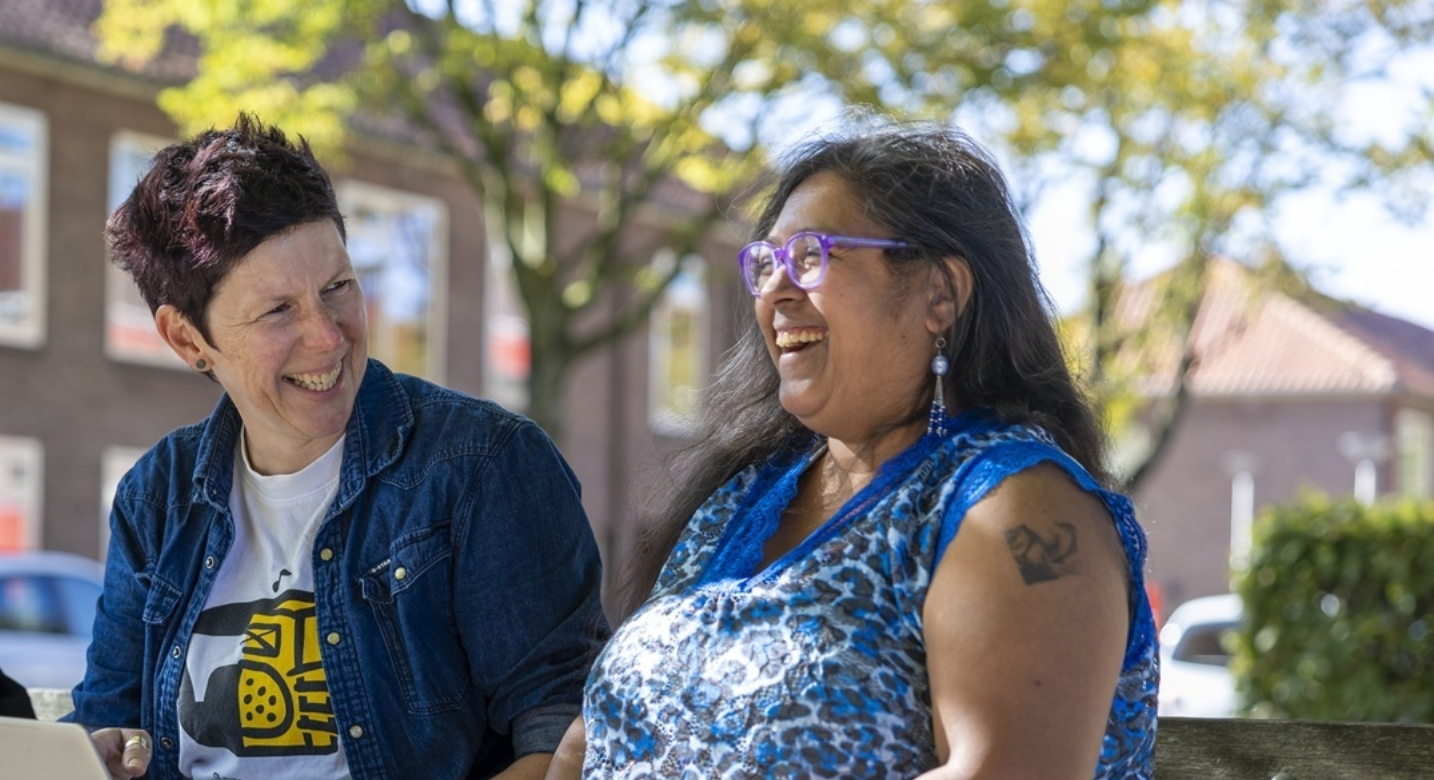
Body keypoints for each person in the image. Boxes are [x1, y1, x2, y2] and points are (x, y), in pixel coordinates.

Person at [553, 116, 1157, 779]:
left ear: (940, 295)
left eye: (811, 256)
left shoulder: (1015, 510)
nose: (777, 289)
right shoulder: (744, 498)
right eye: (767, 262)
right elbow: (591, 738)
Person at [67, 114, 609, 780]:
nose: (328, 337)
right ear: (187, 339)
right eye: (278, 311)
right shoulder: (156, 497)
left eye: (338, 288)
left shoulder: (483, 465)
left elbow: (565, 731)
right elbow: (104, 722)